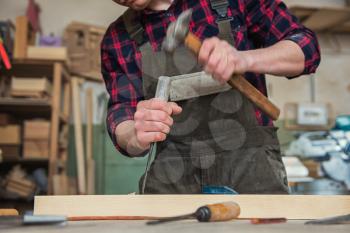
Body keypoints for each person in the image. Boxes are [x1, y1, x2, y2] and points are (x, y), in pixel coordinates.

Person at [101, 0, 321, 194]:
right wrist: (135, 136)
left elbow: (306, 49)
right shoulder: (117, 38)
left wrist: (245, 59)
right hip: (173, 175)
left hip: (252, 166)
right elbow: (122, 112)